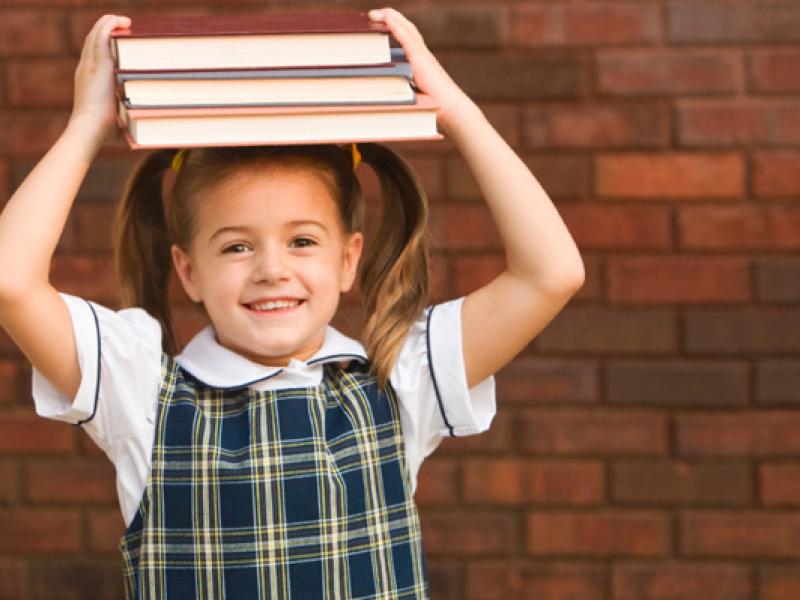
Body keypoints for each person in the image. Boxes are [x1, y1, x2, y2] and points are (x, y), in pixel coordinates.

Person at [0, 8, 585, 600]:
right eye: (236, 246)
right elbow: (10, 280)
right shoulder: (137, 394)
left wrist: (456, 111)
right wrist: (86, 125)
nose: (272, 270)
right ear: (188, 270)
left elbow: (551, 273)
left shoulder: (400, 381)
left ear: (348, 259)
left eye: (302, 240)